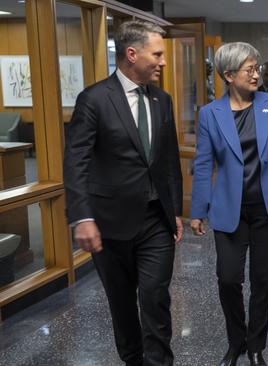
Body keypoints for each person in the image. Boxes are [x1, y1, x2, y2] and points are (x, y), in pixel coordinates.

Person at [63, 20, 183, 366]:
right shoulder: (95, 100)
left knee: (155, 295)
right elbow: (76, 163)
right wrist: (82, 216)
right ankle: (132, 359)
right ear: (132, 54)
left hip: (155, 220)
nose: (162, 61)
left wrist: (174, 209)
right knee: (121, 301)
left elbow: (168, 159)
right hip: (109, 223)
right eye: (157, 54)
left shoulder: (162, 99)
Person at [190, 42, 268, 366]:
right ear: (229, 75)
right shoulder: (210, 114)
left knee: (262, 280)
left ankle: (256, 345)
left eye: (257, 68)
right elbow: (203, 164)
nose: (256, 74)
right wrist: (198, 210)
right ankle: (236, 340)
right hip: (230, 209)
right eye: (249, 70)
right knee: (228, 278)